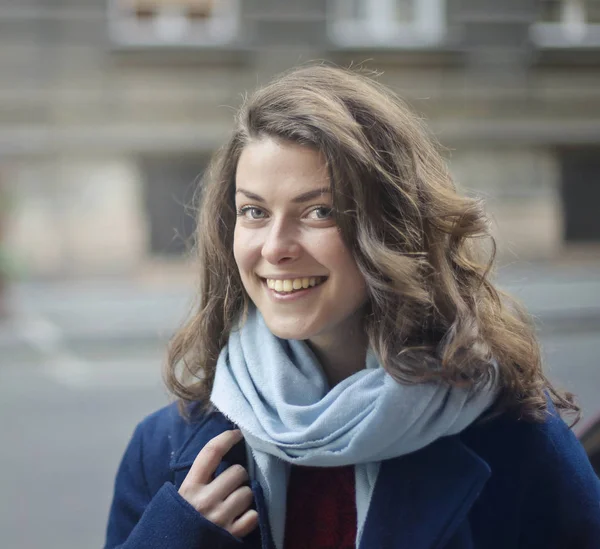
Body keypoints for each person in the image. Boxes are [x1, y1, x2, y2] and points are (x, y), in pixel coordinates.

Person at [104, 65, 600, 549]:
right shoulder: (163, 449)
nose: (276, 247)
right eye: (254, 212)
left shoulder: (513, 437)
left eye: (319, 211)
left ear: (392, 228)